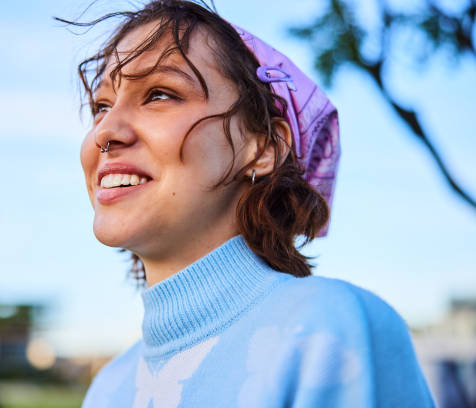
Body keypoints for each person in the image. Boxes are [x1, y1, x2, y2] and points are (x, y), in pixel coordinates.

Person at [59, 1, 435, 406]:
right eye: (101, 107)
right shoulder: (106, 390)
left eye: (160, 94)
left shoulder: (332, 331)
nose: (105, 131)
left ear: (264, 148)